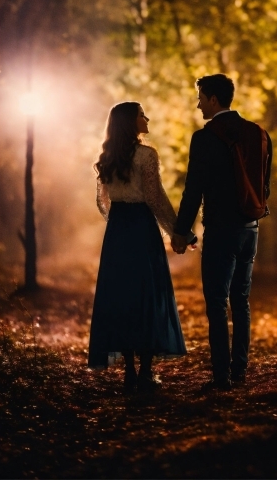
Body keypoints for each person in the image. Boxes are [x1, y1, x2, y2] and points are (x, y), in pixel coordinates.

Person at [172, 74, 272, 391]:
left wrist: (181, 230)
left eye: (201, 97)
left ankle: (221, 377)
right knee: (240, 300)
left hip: (220, 230)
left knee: (216, 302)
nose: (198, 103)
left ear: (213, 99)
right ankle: (239, 371)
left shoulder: (204, 138)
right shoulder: (259, 134)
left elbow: (193, 191)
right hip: (250, 228)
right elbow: (264, 185)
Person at [88, 101, 191, 391]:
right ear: (131, 122)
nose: (147, 118)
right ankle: (146, 372)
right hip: (142, 229)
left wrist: (118, 221)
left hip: (119, 230)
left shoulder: (107, 157)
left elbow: (103, 202)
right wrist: (178, 232)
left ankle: (130, 372)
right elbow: (155, 198)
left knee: (122, 295)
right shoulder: (147, 155)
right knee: (147, 295)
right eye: (141, 114)